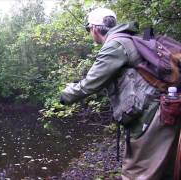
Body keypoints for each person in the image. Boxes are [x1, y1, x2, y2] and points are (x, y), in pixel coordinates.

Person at [60, 7, 180, 180]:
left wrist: (65, 95)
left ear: (94, 28)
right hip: (166, 107)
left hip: (151, 115)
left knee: (136, 173)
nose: (89, 33)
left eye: (88, 29)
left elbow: (90, 84)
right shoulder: (130, 39)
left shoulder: (114, 45)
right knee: (162, 172)